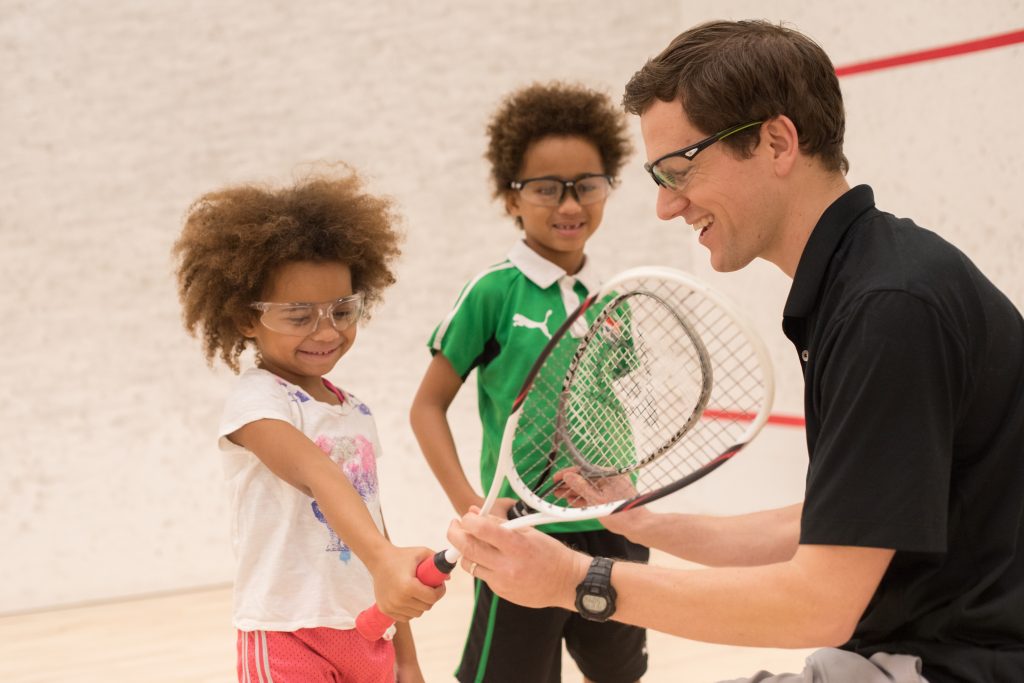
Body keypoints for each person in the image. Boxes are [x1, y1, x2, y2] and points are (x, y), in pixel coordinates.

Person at [445, 20, 1024, 683]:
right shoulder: (870, 280)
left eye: (679, 168)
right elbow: (827, 524)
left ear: (778, 141)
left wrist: (577, 579)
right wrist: (642, 522)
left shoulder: (886, 309)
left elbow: (818, 601)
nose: (666, 205)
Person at [410, 81, 648, 683]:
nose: (569, 205)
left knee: (619, 675)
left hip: (616, 526)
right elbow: (427, 408)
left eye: (587, 186)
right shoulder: (492, 292)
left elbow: (608, 404)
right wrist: (470, 501)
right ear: (510, 197)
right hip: (522, 530)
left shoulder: (611, 298)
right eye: (546, 189)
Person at [172, 168, 442, 683]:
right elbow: (318, 474)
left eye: (342, 310)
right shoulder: (255, 403)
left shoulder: (355, 410)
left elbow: (377, 526)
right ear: (245, 318)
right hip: (285, 634)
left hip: (369, 628)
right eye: (298, 316)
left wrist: (407, 658)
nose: (327, 331)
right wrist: (386, 558)